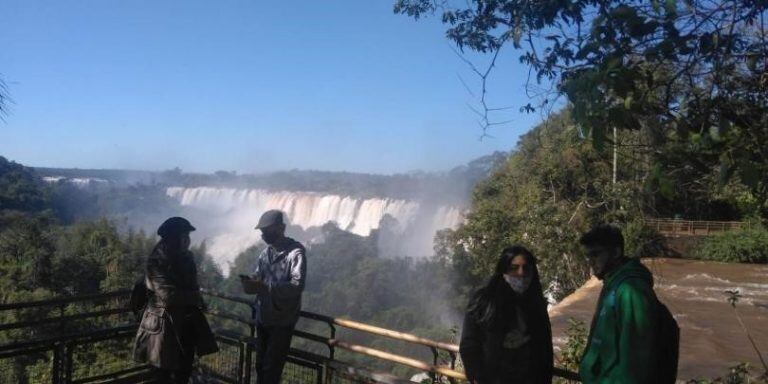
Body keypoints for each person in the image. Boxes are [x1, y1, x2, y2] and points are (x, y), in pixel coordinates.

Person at [133, 217, 218, 384]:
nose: (187, 240)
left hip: (186, 325)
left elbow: (188, 289)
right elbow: (168, 296)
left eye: (187, 235)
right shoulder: (157, 261)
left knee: (183, 372)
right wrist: (195, 298)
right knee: (163, 374)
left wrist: (192, 297)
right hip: (163, 325)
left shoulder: (186, 257)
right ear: (172, 238)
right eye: (183, 235)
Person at [460, 245, 553, 384]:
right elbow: (469, 342)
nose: (521, 273)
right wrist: (476, 374)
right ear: (503, 271)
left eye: (526, 268)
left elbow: (545, 345)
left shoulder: (536, 303)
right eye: (514, 268)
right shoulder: (484, 301)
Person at [578, 224, 659, 383]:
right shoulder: (612, 284)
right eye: (588, 256)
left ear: (616, 252)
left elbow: (635, 360)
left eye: (595, 254)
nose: (590, 261)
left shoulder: (630, 291)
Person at [241, 210, 307, 384]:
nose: (264, 235)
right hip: (263, 317)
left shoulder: (295, 253)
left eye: (267, 231)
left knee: (272, 369)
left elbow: (297, 286)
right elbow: (258, 276)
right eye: (262, 232)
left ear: (282, 228)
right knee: (260, 365)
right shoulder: (266, 253)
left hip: (282, 322)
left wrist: (265, 287)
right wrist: (251, 282)